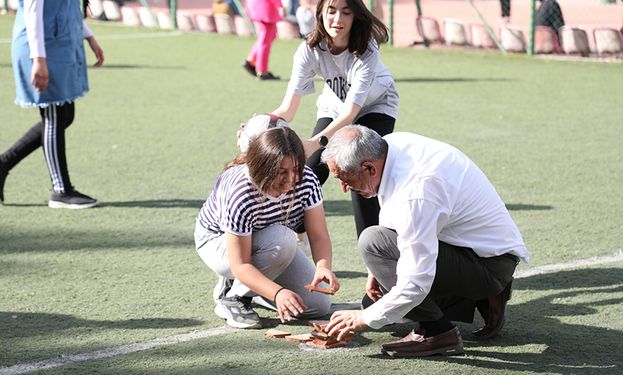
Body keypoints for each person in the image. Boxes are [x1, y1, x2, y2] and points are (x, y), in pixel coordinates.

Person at [322, 125, 530, 358]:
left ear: (369, 167)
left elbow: (416, 283)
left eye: (344, 178)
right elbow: (394, 205)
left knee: (373, 246)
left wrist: (364, 319)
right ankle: (480, 298)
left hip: (488, 265)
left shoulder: (417, 191)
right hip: (479, 251)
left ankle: (438, 334)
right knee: (378, 303)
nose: (343, 188)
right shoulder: (388, 146)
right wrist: (376, 272)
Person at [271, 0, 399, 240]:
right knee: (311, 169)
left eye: (346, 13)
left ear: (355, 18)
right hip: (335, 105)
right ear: (320, 13)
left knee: (360, 172)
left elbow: (351, 114)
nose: (337, 19)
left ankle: (374, 255)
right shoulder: (309, 49)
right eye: (331, 11)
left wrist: (314, 142)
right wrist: (265, 122)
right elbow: (287, 108)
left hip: (376, 106)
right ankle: (295, 237)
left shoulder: (367, 49)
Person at [194, 123, 339, 329]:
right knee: (284, 239)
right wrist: (277, 292)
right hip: (218, 242)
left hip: (270, 240)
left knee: (317, 306)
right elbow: (241, 264)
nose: (290, 180)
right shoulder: (241, 192)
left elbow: (319, 236)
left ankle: (253, 289)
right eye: (281, 172)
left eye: (295, 170)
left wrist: (323, 267)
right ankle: (231, 295)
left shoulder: (306, 179)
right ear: (262, 167)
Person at [0, 0, 104, 208]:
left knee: (64, 116)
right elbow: (32, 12)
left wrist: (89, 36)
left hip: (57, 44)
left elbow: (66, 8)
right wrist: (38, 59)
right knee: (55, 115)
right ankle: (61, 190)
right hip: (41, 48)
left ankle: (3, 164)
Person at [242, 0, 283, 80]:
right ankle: (262, 71)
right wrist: (279, 5)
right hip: (264, 7)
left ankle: (251, 60)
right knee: (265, 40)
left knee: (270, 36)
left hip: (257, 5)